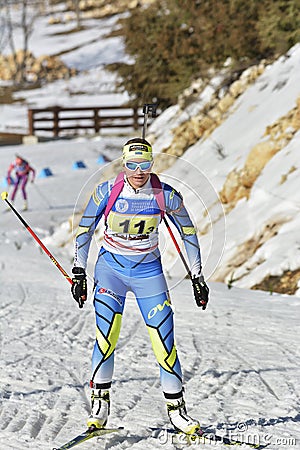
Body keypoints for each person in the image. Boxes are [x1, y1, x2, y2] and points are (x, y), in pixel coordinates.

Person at [71, 138, 209, 434]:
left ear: (152, 164)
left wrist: (197, 276)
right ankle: (100, 403)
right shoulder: (107, 191)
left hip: (148, 272)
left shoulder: (165, 195)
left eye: (145, 164)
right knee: (106, 337)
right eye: (132, 164)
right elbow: (85, 229)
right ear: (123, 163)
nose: (138, 171)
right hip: (111, 270)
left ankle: (177, 411)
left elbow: (188, 232)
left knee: (164, 339)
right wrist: (79, 271)